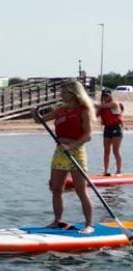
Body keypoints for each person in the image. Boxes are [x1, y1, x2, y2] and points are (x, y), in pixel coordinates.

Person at [34, 78, 95, 233]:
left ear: (74, 93)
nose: (61, 95)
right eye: (61, 92)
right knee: (56, 189)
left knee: (81, 190)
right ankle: (56, 221)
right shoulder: (60, 110)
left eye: (64, 92)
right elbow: (39, 121)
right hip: (60, 152)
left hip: (76, 151)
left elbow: (88, 135)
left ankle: (89, 225)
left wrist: (71, 146)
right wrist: (35, 113)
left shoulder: (83, 110)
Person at [96, 88, 124, 175]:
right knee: (106, 151)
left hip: (116, 128)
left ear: (110, 96)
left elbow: (101, 106)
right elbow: (95, 115)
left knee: (115, 151)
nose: (105, 98)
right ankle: (106, 171)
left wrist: (92, 104)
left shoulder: (114, 103)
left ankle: (118, 171)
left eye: (106, 96)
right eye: (103, 96)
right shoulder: (102, 106)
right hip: (107, 128)